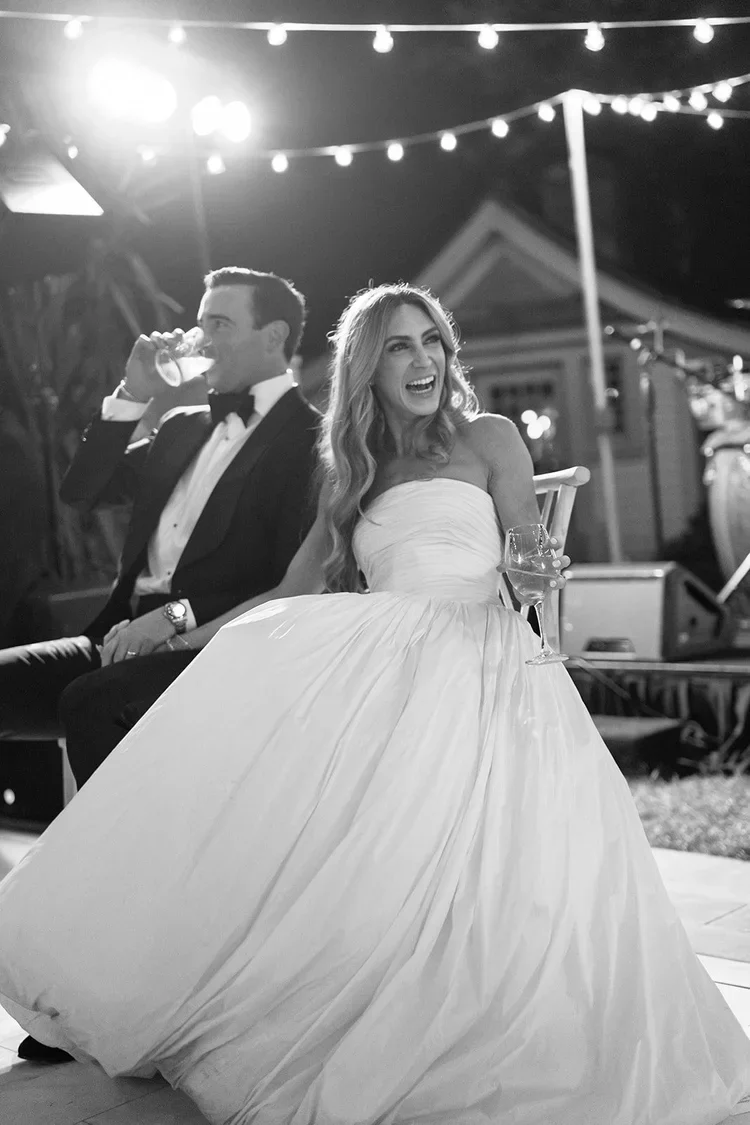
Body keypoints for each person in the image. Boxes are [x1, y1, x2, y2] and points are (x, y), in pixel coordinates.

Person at [1, 283, 750, 1125]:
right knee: (248, 707)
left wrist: (536, 570)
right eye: (399, 346)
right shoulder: (351, 471)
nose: (423, 359)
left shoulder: (490, 437)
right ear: (367, 365)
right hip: (381, 654)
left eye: (431, 341)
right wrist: (188, 633)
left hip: (482, 646)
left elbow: (527, 554)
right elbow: (291, 587)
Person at [0, 267, 319, 777]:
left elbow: (281, 582)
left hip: (212, 646)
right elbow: (81, 491)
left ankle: (116, 856)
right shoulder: (180, 426)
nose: (202, 341)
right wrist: (134, 391)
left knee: (92, 702)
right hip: (116, 638)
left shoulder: (313, 441)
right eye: (201, 324)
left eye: (219, 325)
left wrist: (172, 621)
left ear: (274, 335)